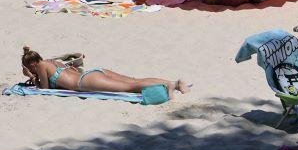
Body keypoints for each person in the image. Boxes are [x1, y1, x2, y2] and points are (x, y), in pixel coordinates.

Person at [20, 46, 190, 97]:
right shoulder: (53, 62)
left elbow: (45, 89)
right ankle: (173, 83)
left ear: (32, 64)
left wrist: (31, 77)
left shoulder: (42, 66)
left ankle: (170, 84)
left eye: (29, 68)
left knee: (130, 87)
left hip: (85, 82)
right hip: (94, 73)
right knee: (132, 80)